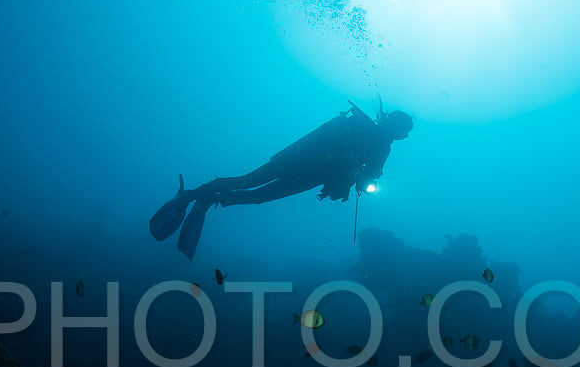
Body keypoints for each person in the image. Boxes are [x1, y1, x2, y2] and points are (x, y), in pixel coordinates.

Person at [150, 101, 413, 258]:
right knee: (248, 182)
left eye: (402, 133)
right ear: (390, 121)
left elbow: (371, 173)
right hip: (298, 162)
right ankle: (194, 194)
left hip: (310, 175)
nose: (397, 133)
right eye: (399, 128)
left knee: (257, 196)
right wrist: (351, 169)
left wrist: (360, 181)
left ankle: (208, 198)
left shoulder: (382, 148)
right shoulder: (360, 125)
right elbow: (335, 146)